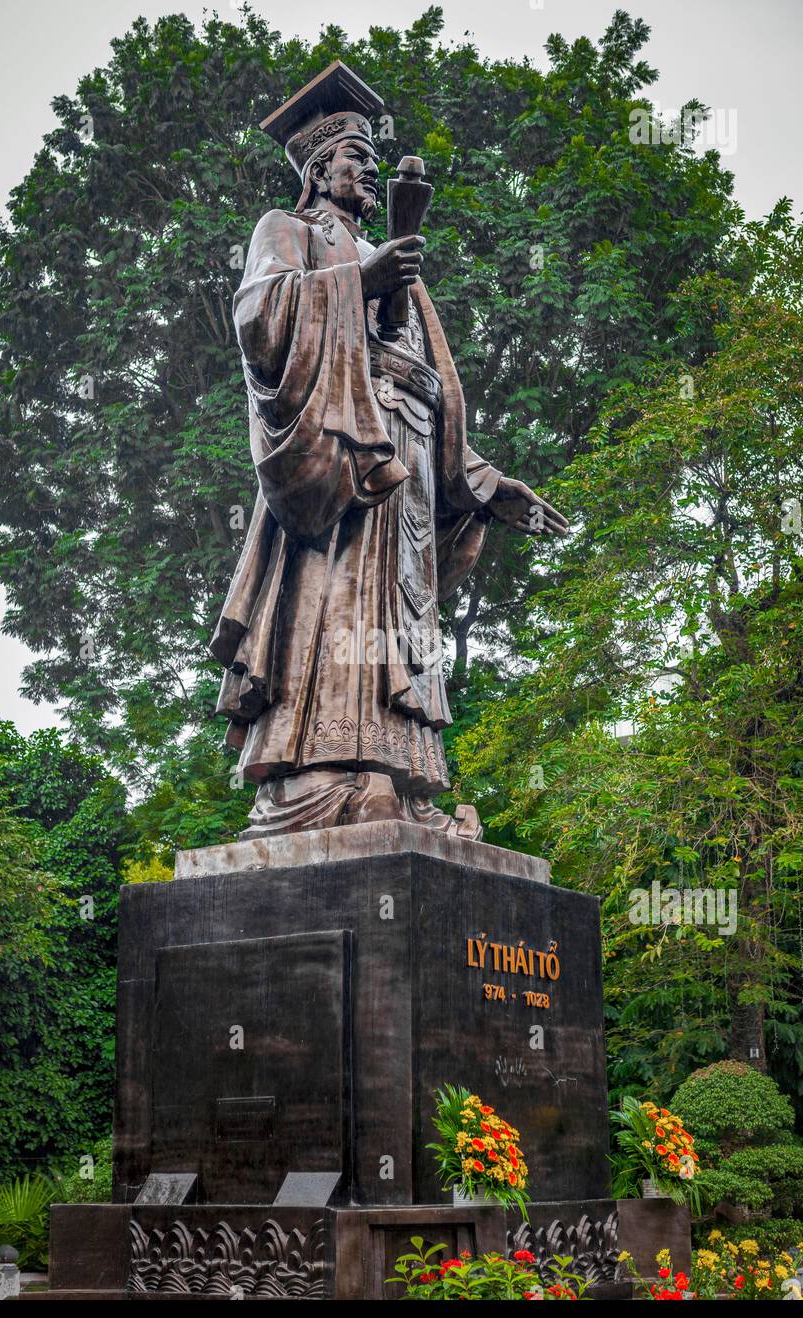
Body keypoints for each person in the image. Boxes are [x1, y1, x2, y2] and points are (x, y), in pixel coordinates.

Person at [210, 62, 567, 839]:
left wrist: (487, 483)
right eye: (353, 159)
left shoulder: (395, 258)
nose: (367, 171)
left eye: (374, 161)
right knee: (336, 599)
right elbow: (259, 321)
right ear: (317, 169)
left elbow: (433, 382)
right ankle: (323, 779)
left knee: (402, 615)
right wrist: (356, 282)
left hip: (407, 453)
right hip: (342, 453)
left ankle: (402, 784)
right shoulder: (288, 231)